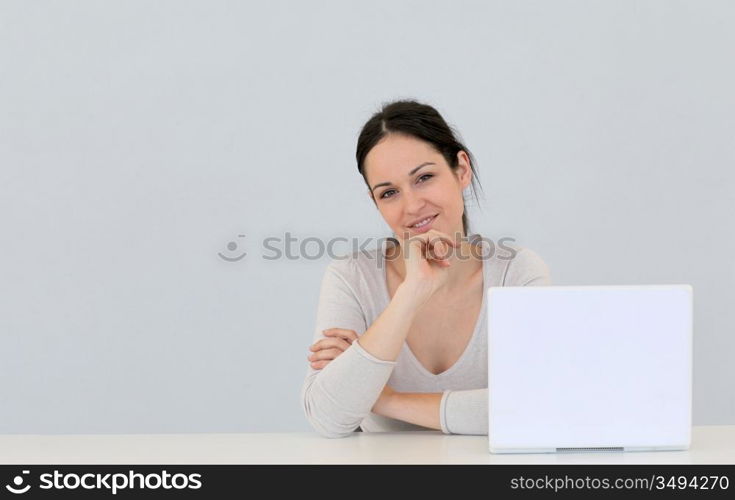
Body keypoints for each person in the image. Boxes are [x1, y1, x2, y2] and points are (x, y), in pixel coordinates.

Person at [300, 99, 551, 438]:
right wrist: (411, 293)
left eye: (424, 177)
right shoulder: (352, 277)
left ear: (461, 170)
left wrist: (384, 399)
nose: (413, 206)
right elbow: (329, 418)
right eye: (389, 193)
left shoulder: (516, 273)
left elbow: (537, 408)